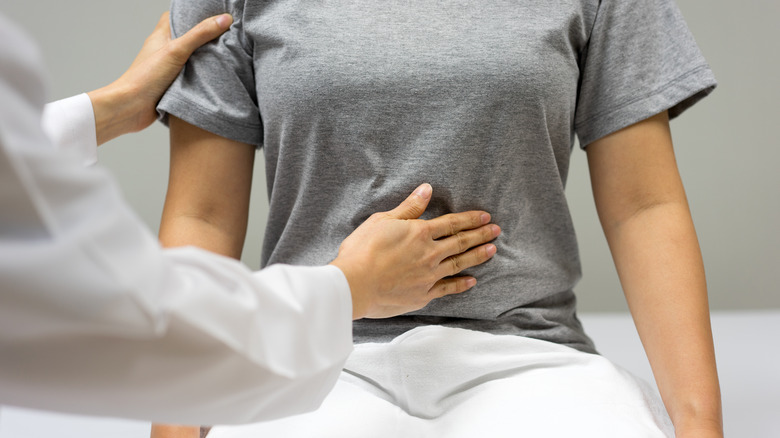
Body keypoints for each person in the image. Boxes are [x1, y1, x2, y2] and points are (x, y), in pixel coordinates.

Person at [154, 0, 722, 437]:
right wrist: (175, 428)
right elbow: (201, 218)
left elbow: (644, 208)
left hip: (529, 355)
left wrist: (699, 428)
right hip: (308, 355)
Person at [0, 11, 501, 426]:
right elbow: (159, 283)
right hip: (330, 368)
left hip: (519, 352)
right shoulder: (226, 8)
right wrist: (352, 286)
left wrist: (109, 110)